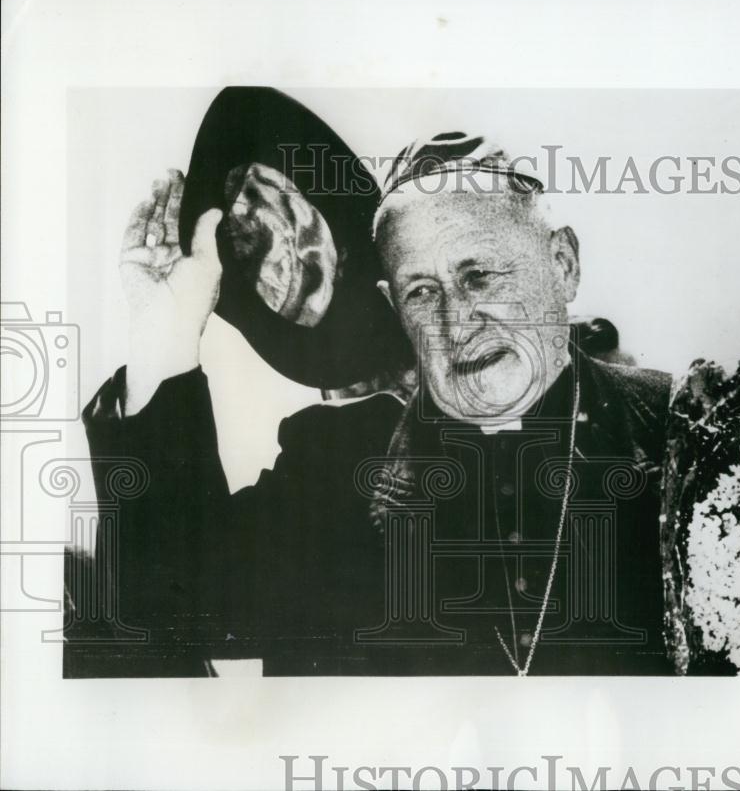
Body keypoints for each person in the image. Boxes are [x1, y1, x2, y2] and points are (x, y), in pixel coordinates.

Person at [77, 134, 688, 677]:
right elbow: (165, 608)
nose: (457, 321)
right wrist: (166, 331)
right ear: (395, 308)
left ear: (563, 265)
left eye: (481, 276)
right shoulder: (334, 464)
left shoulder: (682, 429)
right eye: (422, 292)